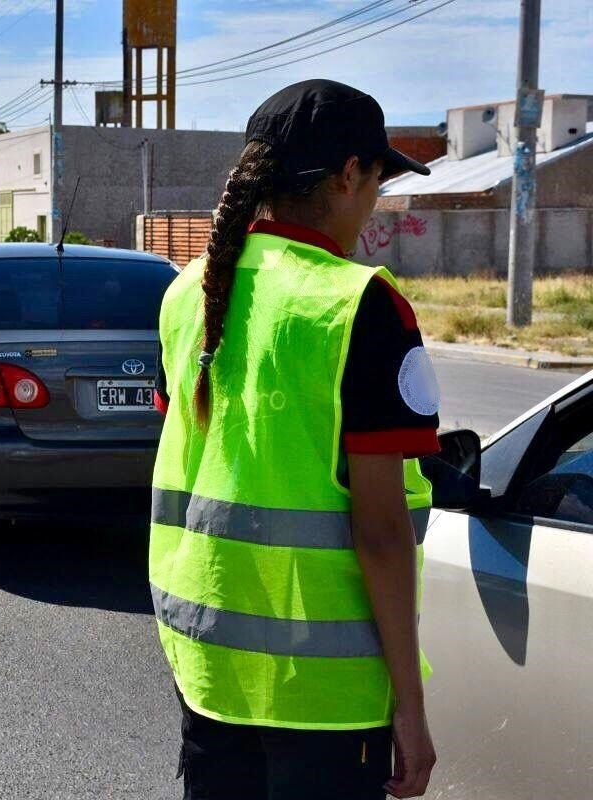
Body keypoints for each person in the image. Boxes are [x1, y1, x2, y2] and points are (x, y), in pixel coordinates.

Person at [150, 79, 440, 800]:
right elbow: (379, 530)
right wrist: (410, 704)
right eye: (376, 180)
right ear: (349, 175)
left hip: (210, 666)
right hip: (325, 693)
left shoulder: (187, 292)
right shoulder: (359, 303)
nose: (374, 205)